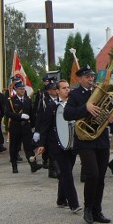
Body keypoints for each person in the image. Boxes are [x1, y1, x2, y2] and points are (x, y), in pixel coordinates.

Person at [64, 66, 113, 224]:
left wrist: (111, 116)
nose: (91, 79)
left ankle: (97, 210)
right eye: (87, 77)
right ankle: (88, 208)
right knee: (92, 175)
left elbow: (109, 107)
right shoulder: (75, 95)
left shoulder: (101, 91)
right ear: (79, 79)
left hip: (101, 139)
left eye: (92, 76)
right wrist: (85, 108)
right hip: (85, 140)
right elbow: (67, 114)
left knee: (100, 177)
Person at [35, 80, 82, 212]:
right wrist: (42, 144)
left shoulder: (73, 105)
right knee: (66, 173)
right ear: (57, 91)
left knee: (66, 172)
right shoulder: (51, 106)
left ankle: (61, 199)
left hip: (71, 143)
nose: (67, 90)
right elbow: (45, 126)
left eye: (68, 88)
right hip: (56, 145)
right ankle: (74, 204)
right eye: (64, 88)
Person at [5, 79, 34, 173]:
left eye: (23, 89)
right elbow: (8, 113)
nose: (22, 90)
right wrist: (20, 116)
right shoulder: (11, 100)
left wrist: (33, 126)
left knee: (28, 147)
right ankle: (14, 165)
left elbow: (32, 113)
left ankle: (33, 165)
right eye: (20, 89)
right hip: (15, 127)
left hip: (26, 127)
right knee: (14, 147)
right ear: (16, 90)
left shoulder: (28, 99)